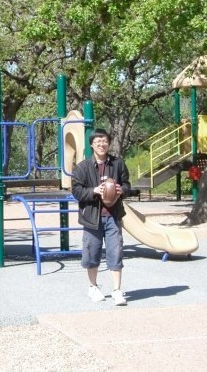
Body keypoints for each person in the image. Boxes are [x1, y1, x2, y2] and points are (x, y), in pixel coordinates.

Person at [71, 128, 131, 305]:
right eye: (98, 142)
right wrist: (94, 191)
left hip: (113, 216)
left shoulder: (118, 164)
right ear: (92, 144)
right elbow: (76, 191)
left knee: (116, 251)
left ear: (109, 143)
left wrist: (122, 190)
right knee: (92, 253)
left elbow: (127, 185)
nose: (102, 144)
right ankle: (93, 287)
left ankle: (117, 290)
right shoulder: (83, 167)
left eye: (104, 141)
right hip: (92, 218)